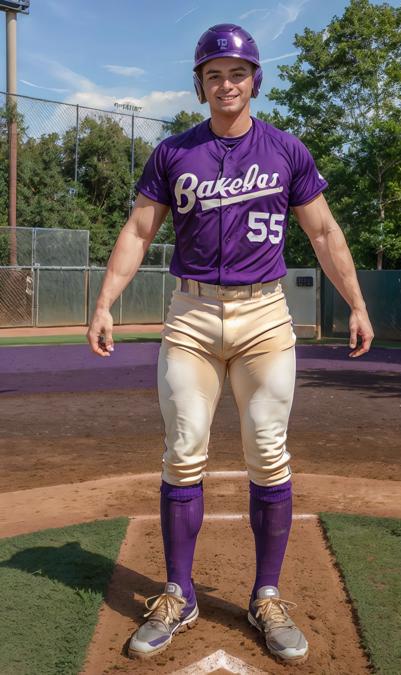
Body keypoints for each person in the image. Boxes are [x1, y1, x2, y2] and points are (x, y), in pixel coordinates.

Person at [87, 23, 374, 664]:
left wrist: (356, 303)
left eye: (237, 72)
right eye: (214, 74)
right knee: (184, 446)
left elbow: (324, 233)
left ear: (254, 80)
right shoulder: (173, 153)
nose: (226, 83)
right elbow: (138, 229)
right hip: (190, 314)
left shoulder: (286, 151)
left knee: (268, 451)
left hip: (265, 317)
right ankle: (179, 592)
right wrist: (104, 302)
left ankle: (266, 594)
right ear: (200, 84)